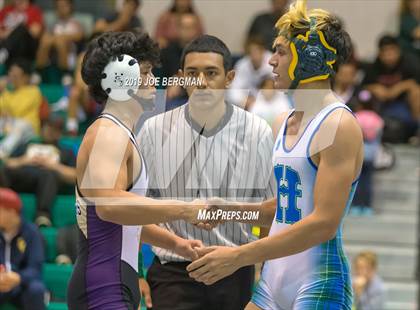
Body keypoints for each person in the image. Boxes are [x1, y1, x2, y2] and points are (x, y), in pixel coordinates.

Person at [187, 1, 363, 310]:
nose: (271, 61)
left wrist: (239, 256)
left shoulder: (338, 124)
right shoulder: (286, 120)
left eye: (281, 51)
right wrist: (229, 211)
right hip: (274, 277)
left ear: (310, 58)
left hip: (318, 283)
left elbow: (323, 223)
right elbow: (286, 207)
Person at [66, 31, 206, 310]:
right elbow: (109, 205)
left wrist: (175, 243)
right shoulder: (108, 134)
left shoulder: (118, 133)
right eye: (145, 71)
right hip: (104, 284)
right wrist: (182, 209)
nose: (154, 80)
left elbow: (118, 224)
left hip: (112, 279)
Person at [139, 34, 275, 310]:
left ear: (229, 78)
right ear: (180, 77)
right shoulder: (153, 131)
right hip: (171, 274)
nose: (200, 81)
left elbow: (272, 212)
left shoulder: (257, 132)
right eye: (192, 73)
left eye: (211, 73)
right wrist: (137, 273)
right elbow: (132, 210)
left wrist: (267, 281)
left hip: (235, 270)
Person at [1, 115, 77, 227]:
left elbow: (75, 175)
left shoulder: (66, 151)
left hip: (48, 179)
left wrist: (54, 166)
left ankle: (42, 215)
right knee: (4, 172)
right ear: (42, 128)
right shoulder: (28, 145)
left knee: (48, 175)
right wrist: (24, 160)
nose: (51, 131)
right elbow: (8, 163)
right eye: (49, 127)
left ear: (60, 133)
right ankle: (3, 206)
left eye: (56, 129)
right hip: (24, 175)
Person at [0, 187, 46, 310]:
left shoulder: (32, 233)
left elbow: (35, 268)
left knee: (36, 289)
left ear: (12, 211)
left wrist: (18, 277)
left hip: (22, 283)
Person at [362, 35, 420, 121]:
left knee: (416, 92)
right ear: (380, 53)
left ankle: (417, 126)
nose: (388, 55)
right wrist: (374, 88)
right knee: (364, 95)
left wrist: (401, 86)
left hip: (404, 102)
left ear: (399, 50)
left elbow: (416, 82)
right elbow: (362, 86)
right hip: (380, 104)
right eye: (384, 51)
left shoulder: (409, 63)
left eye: (392, 50)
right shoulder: (373, 66)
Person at [0, 59, 43, 159]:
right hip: (8, 124)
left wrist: (6, 111)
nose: (11, 78)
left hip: (28, 128)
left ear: (26, 77)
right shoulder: (7, 92)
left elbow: (18, 111)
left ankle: (2, 151)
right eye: (11, 74)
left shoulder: (33, 91)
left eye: (15, 76)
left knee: (20, 125)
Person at [36, 0, 84, 71]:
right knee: (45, 40)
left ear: (70, 7)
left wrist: (63, 38)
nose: (61, 8)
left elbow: (80, 36)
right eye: (58, 6)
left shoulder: (75, 23)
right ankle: (38, 72)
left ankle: (65, 73)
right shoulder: (53, 24)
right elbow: (45, 37)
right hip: (52, 53)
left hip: (69, 55)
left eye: (64, 6)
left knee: (60, 42)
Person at [227, 36, 274, 108]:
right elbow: (233, 90)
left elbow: (281, 89)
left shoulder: (272, 62)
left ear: (263, 51)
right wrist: (244, 100)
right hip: (249, 104)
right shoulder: (242, 65)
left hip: (270, 102)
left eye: (256, 51)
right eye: (251, 52)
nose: (254, 55)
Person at [0, 0, 43, 66]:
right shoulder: (6, 10)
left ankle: (4, 52)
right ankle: (4, 52)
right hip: (6, 43)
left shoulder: (34, 11)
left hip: (26, 46)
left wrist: (11, 31)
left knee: (22, 28)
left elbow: (35, 32)